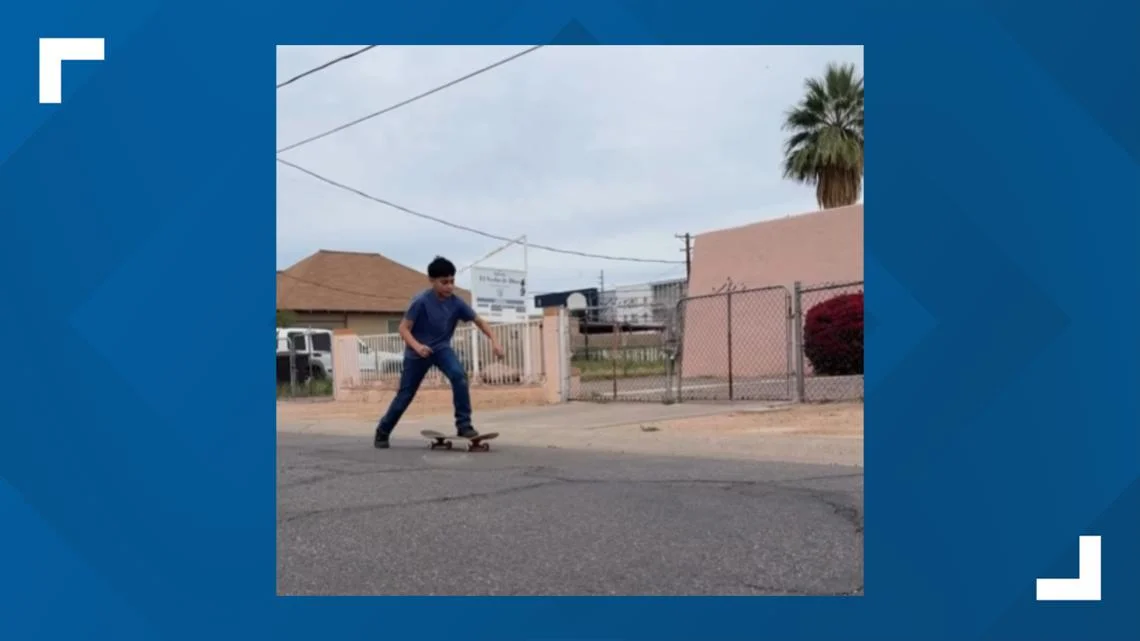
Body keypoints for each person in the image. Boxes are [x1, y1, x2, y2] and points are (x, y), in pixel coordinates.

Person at [374, 256, 504, 448]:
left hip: (441, 349)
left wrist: (495, 341)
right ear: (432, 281)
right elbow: (403, 329)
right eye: (444, 282)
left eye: (452, 281)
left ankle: (464, 425)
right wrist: (418, 347)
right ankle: (383, 431)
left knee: (459, 376)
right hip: (416, 353)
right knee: (405, 395)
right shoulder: (420, 302)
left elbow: (479, 321)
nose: (449, 287)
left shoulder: (456, 303)